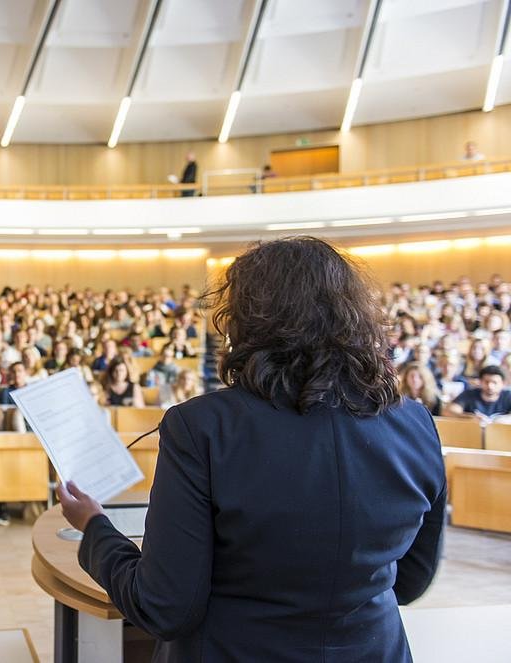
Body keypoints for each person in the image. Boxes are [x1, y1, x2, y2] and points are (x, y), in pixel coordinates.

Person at [57, 237, 445, 662]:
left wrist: (95, 529)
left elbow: (166, 606)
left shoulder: (202, 427)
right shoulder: (416, 423)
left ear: (246, 321)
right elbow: (409, 581)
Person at [445, 365, 511, 423]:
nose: (490, 386)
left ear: (503, 384)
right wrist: (469, 417)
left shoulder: (508, 396)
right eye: (486, 382)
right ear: (480, 382)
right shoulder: (469, 394)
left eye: (494, 382)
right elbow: (449, 412)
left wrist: (505, 419)